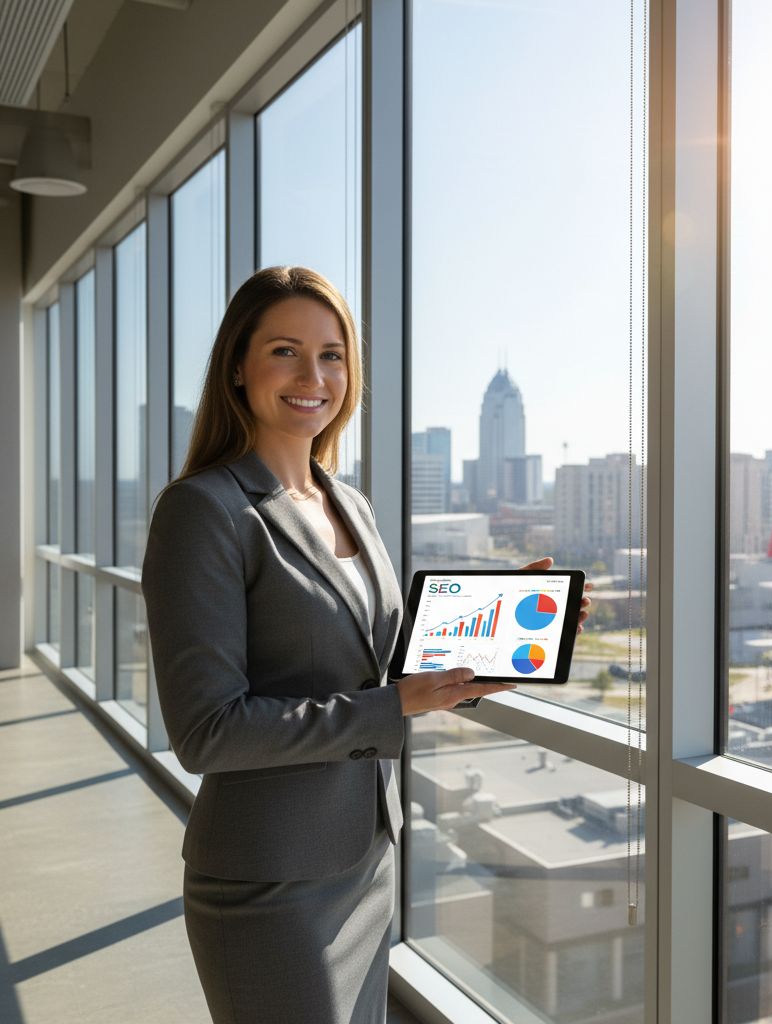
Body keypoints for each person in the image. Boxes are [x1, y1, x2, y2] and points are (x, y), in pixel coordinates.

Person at [140, 265, 591, 1024]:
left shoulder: (347, 502)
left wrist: (485, 640)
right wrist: (393, 705)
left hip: (367, 857)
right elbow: (207, 732)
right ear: (238, 367)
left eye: (333, 354)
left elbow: (370, 663)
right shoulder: (204, 512)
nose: (313, 375)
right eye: (285, 351)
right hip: (271, 884)